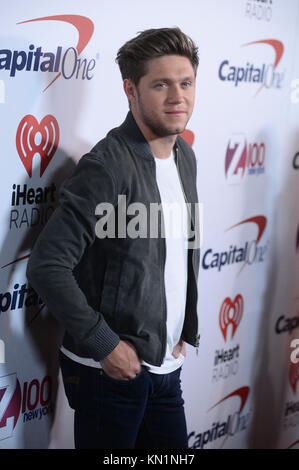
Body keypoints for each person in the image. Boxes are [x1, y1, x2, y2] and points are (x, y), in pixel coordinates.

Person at [26, 27, 200, 449]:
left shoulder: (184, 155)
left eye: (186, 83)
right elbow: (47, 266)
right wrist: (107, 345)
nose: (178, 96)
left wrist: (182, 325)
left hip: (163, 369)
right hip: (109, 375)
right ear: (130, 89)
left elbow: (178, 251)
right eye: (161, 84)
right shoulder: (106, 166)